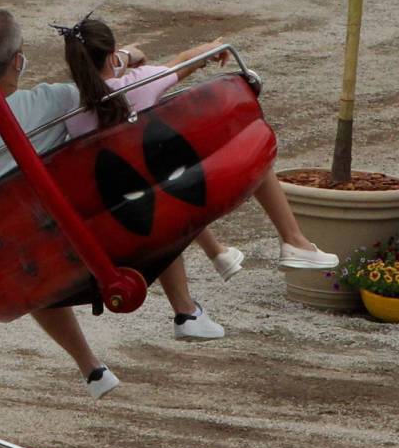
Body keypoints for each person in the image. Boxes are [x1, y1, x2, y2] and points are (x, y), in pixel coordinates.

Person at [0, 10, 222, 402]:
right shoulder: (54, 100)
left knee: (24, 260)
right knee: (142, 185)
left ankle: (90, 366)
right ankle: (185, 309)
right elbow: (110, 89)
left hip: (30, 254)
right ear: (18, 61)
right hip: (85, 230)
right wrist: (127, 57)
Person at [55, 14, 339, 272]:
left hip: (123, 203)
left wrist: (124, 56)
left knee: (164, 174)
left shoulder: (72, 110)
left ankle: (217, 253)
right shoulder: (139, 83)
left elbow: (101, 82)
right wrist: (213, 47)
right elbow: (185, 60)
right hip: (166, 192)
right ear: (110, 57)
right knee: (252, 155)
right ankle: (293, 239)